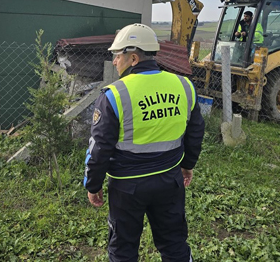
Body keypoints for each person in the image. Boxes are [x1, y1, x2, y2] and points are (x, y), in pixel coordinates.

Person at [83, 23, 205, 261]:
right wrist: (187, 165)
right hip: (170, 181)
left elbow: (99, 149)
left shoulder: (114, 95)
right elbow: (195, 131)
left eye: (118, 55)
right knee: (174, 244)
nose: (115, 61)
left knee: (123, 250)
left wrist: (93, 185)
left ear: (134, 57)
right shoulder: (184, 86)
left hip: (127, 188)